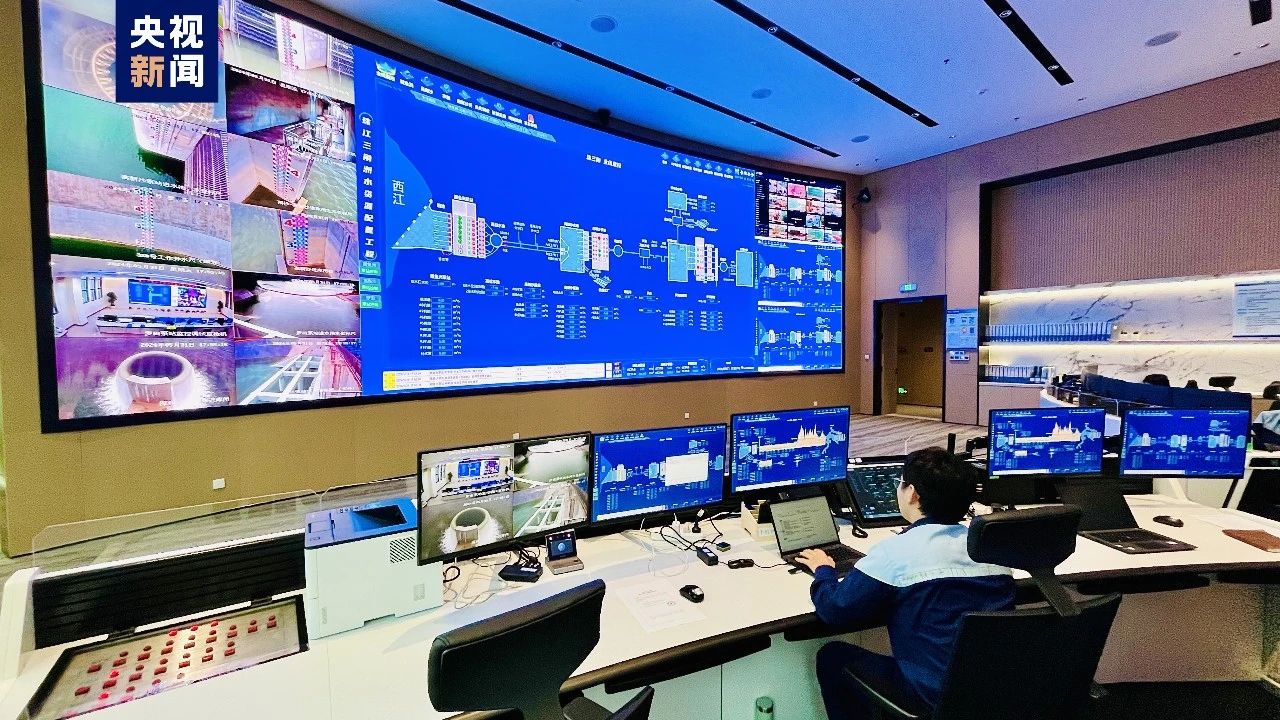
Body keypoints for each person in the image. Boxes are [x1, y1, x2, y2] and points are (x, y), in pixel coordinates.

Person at [795, 447, 1015, 720]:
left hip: (932, 699)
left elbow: (834, 610)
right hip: (996, 695)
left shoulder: (896, 553)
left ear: (912, 494)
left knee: (833, 657)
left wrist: (824, 570)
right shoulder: (991, 551)